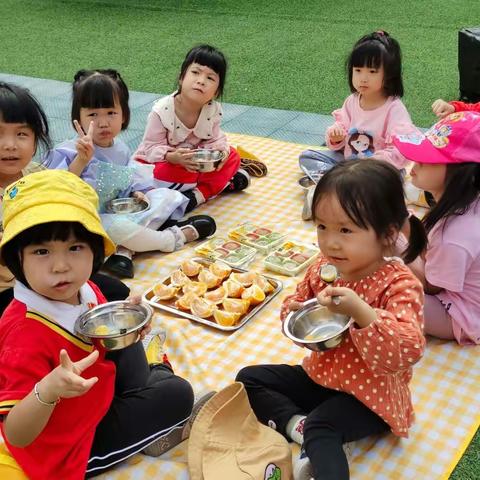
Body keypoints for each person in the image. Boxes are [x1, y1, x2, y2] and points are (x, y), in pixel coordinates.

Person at [0, 169, 202, 479]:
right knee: (179, 395)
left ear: (95, 251)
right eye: (41, 251)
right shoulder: (23, 334)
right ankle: (156, 389)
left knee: (124, 327)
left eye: (75, 248)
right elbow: (15, 435)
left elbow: (105, 340)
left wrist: (128, 323)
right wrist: (48, 390)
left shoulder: (84, 288)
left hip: (97, 393)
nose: (61, 265)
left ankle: (153, 381)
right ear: (17, 259)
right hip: (72, 444)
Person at [236, 159, 427, 480]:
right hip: (322, 376)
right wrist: (296, 311)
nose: (330, 241)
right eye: (322, 226)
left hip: (372, 395)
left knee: (323, 426)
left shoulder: (399, 283)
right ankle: (298, 427)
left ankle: (318, 435)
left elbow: (406, 352)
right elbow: (294, 310)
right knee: (249, 378)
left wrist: (361, 312)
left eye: (346, 230)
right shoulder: (324, 268)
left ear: (387, 234)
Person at [43, 69, 216, 279]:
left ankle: (126, 249)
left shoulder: (122, 149)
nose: (103, 122)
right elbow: (57, 190)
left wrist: (137, 193)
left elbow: (131, 178)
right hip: (87, 223)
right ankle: (170, 238)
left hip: (121, 212)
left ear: (124, 115)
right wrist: (81, 160)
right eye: (92, 115)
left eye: (111, 113)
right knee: (118, 227)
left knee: (164, 196)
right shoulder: (69, 151)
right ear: (77, 118)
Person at [0, 81, 129, 313]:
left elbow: (61, 192)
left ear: (35, 139)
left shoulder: (36, 172)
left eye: (21, 134)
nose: (10, 145)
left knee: (118, 292)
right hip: (8, 288)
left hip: (48, 271)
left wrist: (81, 160)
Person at [394, 111, 480, 345]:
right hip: (454, 281)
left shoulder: (452, 235)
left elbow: (431, 287)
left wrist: (399, 248)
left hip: (461, 314)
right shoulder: (465, 203)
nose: (412, 168)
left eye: (424, 161)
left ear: (459, 174)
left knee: (391, 287)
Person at [133, 44, 250, 213]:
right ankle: (221, 183)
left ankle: (197, 195)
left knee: (232, 156)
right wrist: (172, 156)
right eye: (195, 72)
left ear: (216, 92)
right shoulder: (161, 111)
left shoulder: (213, 110)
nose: (201, 80)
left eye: (210, 78)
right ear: (181, 78)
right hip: (164, 163)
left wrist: (220, 154)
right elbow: (150, 148)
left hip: (194, 166)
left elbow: (216, 140)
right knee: (153, 174)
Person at [299, 31, 416, 179]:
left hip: (377, 170)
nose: (363, 78)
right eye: (358, 70)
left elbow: (401, 149)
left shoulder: (394, 108)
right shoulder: (352, 101)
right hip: (350, 166)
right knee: (307, 157)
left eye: (372, 71)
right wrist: (337, 137)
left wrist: (372, 163)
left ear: (388, 75)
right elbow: (341, 131)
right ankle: (344, 181)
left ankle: (339, 181)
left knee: (392, 177)